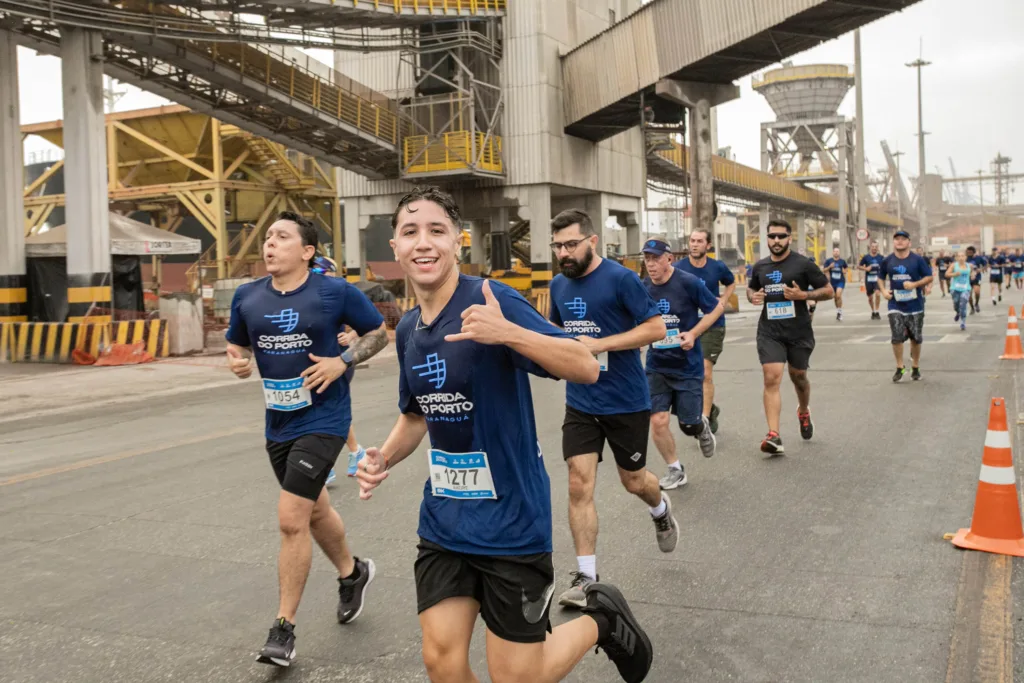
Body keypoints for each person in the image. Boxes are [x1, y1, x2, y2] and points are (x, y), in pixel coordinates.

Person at [355, 187, 654, 683]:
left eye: (436, 230)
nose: (423, 242)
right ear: (396, 247)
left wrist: (508, 333)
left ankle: (601, 621)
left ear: (458, 240)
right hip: (445, 520)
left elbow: (585, 366)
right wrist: (383, 458)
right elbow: (417, 415)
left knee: (518, 677)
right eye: (410, 232)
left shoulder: (492, 301)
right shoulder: (407, 329)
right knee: (441, 663)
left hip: (511, 522)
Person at [225, 211, 389, 667]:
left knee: (291, 518)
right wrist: (236, 360)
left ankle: (283, 630)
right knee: (315, 510)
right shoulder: (247, 296)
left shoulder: (333, 291)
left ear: (307, 251)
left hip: (325, 419)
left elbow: (379, 332)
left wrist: (343, 361)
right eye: (268, 236)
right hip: (278, 422)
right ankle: (353, 573)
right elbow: (237, 344)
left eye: (282, 237)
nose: (270, 243)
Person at [547, 208, 675, 608]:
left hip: (625, 400)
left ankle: (660, 508)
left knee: (634, 481)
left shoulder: (620, 279)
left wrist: (600, 344)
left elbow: (656, 328)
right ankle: (586, 578)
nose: (564, 253)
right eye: (557, 246)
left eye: (571, 244)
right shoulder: (557, 285)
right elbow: (557, 334)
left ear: (592, 241)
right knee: (578, 482)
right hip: (581, 402)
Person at [643, 238, 724, 490]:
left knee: (688, 424)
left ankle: (700, 427)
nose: (651, 264)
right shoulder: (643, 287)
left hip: (687, 365)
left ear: (669, 259)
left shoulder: (688, 282)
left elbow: (716, 308)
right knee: (658, 420)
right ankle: (675, 469)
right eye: (647, 259)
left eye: (656, 258)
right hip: (656, 365)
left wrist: (693, 334)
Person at [747, 219, 832, 454]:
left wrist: (803, 295)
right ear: (767, 239)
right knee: (771, 377)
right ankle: (774, 435)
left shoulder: (803, 264)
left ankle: (803, 411)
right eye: (772, 236)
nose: (776, 241)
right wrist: (753, 297)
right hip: (770, 331)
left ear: (789, 238)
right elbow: (752, 288)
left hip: (799, 332)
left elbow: (829, 291)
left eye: (781, 236)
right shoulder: (760, 266)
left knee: (799, 377)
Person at [307, 255, 368, 486]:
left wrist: (351, 336)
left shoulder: (338, 294)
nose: (318, 276)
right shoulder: (304, 296)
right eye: (315, 272)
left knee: (322, 412)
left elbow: (372, 325)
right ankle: (355, 453)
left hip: (337, 361)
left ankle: (326, 464)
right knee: (324, 411)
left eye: (323, 272)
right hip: (313, 362)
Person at [674, 228, 735, 434]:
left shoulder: (717, 267)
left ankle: (705, 421)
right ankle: (711, 407)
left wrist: (724, 299)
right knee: (690, 374)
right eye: (692, 240)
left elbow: (730, 282)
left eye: (699, 241)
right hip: (687, 327)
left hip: (712, 325)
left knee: (705, 371)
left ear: (708, 245)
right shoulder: (678, 268)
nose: (694, 244)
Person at [879, 229, 933, 382]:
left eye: (903, 239)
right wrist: (883, 291)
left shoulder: (917, 260)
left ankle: (915, 366)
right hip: (895, 304)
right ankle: (900, 367)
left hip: (915, 304)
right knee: (896, 336)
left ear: (909, 242)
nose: (900, 241)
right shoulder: (887, 260)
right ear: (893, 242)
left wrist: (914, 284)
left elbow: (929, 277)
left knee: (916, 338)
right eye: (897, 239)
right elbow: (880, 277)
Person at [946, 251, 973, 331]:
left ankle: (963, 322)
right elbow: (946, 274)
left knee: (963, 304)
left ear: (965, 257)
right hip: (955, 289)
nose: (961, 258)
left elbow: (972, 272)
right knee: (956, 304)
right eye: (959, 256)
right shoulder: (954, 265)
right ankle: (958, 312)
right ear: (956, 258)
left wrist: (973, 275)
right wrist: (954, 274)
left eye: (962, 256)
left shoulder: (970, 265)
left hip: (966, 288)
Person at [858, 241, 885, 320]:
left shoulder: (881, 257)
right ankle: (873, 311)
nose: (874, 248)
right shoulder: (866, 257)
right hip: (869, 279)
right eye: (873, 247)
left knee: (877, 294)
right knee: (870, 297)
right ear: (870, 248)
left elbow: (885, 267)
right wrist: (865, 268)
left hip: (878, 279)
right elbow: (859, 266)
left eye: (875, 247)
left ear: (878, 248)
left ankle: (877, 311)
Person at [822, 248, 848, 321]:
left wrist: (845, 271)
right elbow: (824, 270)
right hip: (832, 282)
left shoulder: (842, 261)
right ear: (833, 253)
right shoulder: (829, 261)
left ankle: (840, 312)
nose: (836, 253)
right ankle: (838, 311)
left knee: (838, 295)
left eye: (837, 251)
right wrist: (829, 267)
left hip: (840, 281)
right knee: (835, 297)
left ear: (839, 253)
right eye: (835, 251)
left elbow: (846, 268)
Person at [966, 246, 986, 314]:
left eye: (970, 252)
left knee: (977, 292)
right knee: (969, 295)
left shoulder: (979, 258)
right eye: (967, 252)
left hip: (977, 277)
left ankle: (976, 304)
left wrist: (980, 269)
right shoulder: (965, 258)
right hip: (967, 278)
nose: (968, 253)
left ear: (973, 252)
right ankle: (972, 308)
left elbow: (986, 265)